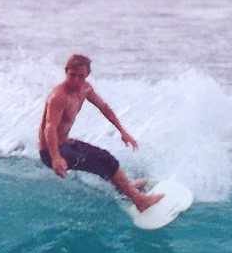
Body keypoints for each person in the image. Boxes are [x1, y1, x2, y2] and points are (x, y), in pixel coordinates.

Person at [39, 54, 163, 212]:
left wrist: (123, 131)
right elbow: (49, 127)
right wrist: (56, 158)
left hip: (64, 144)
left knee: (104, 161)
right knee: (104, 160)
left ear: (87, 75)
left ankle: (126, 189)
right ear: (66, 71)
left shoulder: (85, 88)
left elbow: (104, 107)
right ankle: (140, 201)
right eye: (72, 75)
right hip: (50, 152)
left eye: (81, 76)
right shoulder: (59, 96)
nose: (76, 80)